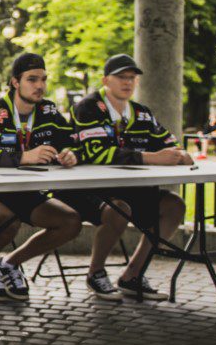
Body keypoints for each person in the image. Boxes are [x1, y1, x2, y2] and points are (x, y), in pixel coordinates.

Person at [63, 55, 193, 302]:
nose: (128, 82)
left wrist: (180, 154)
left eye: (132, 78)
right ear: (105, 80)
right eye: (121, 77)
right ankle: (95, 273)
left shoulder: (141, 112)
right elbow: (96, 152)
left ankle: (133, 274)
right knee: (119, 209)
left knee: (174, 205)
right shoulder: (88, 107)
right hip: (91, 189)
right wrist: (152, 158)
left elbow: (167, 141)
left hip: (133, 188)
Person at [0, 52, 85, 302]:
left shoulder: (49, 110)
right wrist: (22, 157)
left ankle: (9, 263)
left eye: (43, 79)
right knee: (5, 219)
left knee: (71, 222)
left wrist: (71, 154)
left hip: (28, 192)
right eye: (32, 79)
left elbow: (74, 142)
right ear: (15, 82)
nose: (40, 85)